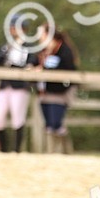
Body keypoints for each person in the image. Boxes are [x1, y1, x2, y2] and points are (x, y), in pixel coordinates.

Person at [0, 16, 40, 153]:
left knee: (18, 120)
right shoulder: (6, 46)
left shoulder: (28, 47)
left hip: (19, 86)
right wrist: (6, 51)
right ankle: (4, 150)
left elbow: (32, 62)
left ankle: (17, 150)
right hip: (4, 85)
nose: (12, 30)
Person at [37, 26, 78, 154]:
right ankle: (51, 153)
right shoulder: (43, 51)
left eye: (41, 33)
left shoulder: (64, 50)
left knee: (56, 124)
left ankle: (65, 151)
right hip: (45, 93)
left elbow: (70, 70)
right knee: (49, 125)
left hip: (59, 94)